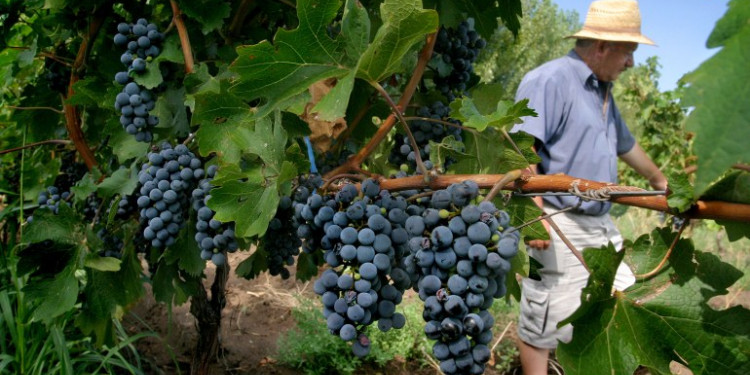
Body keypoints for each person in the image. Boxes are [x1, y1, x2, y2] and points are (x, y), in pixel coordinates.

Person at [511, 1, 668, 374]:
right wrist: (532, 215)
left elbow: (625, 145)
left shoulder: (602, 93)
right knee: (544, 313)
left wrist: (659, 181)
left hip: (599, 223)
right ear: (602, 47)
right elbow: (518, 149)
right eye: (628, 51)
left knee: (629, 300)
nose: (631, 62)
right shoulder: (549, 80)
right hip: (556, 215)